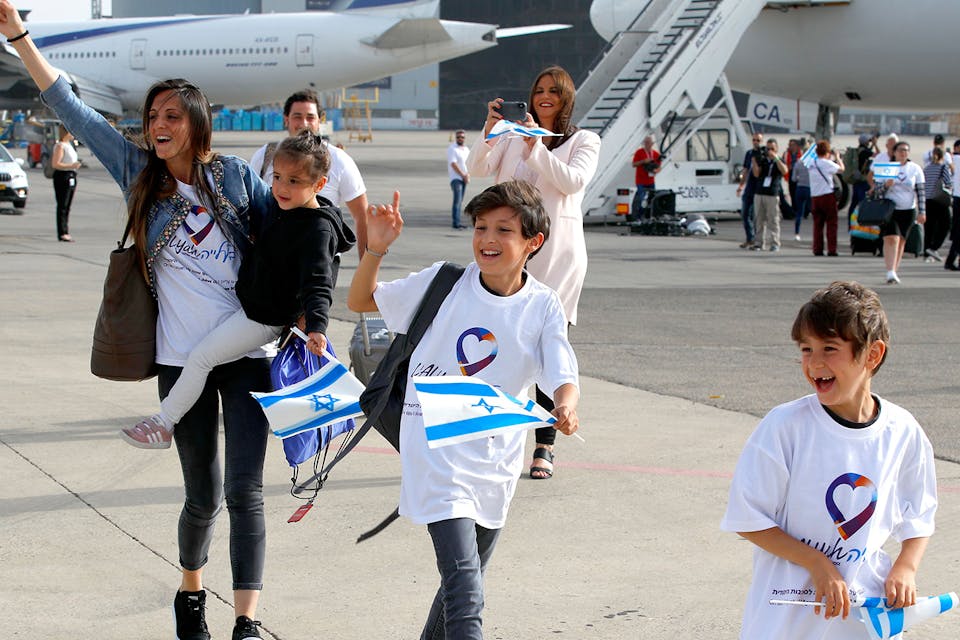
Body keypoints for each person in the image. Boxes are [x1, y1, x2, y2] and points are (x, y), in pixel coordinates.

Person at [0, 4, 274, 638]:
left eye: (172, 116)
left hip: (248, 357)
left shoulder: (234, 177)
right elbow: (70, 107)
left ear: (197, 122)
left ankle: (248, 623)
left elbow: (288, 235)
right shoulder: (139, 177)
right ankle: (190, 595)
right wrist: (18, 36)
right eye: (153, 117)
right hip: (181, 363)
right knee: (202, 495)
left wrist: (348, 239)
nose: (159, 126)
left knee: (246, 492)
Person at [346, 181, 580, 639]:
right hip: (435, 455)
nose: (487, 239)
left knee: (459, 587)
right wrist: (374, 249)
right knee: (466, 594)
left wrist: (567, 407)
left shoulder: (543, 305)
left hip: (494, 463)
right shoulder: (444, 282)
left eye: (503, 230)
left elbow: (561, 371)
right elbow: (359, 301)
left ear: (533, 243)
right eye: (480, 227)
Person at [721, 281, 937, 640]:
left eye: (830, 348)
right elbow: (747, 518)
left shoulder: (902, 430)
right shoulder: (785, 427)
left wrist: (906, 567)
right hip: (788, 619)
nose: (814, 363)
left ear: (872, 355)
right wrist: (817, 564)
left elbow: (920, 512)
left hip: (863, 616)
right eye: (806, 349)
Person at [122, 131, 355, 448]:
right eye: (277, 177)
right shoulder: (282, 207)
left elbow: (319, 280)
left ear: (319, 184)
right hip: (249, 305)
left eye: (294, 181)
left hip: (264, 317)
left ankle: (164, 423)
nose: (281, 188)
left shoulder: (316, 228)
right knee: (204, 355)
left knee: (201, 358)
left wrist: (317, 325)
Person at [467, 65, 598, 480]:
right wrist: (491, 129)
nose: (544, 97)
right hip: (509, 254)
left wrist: (535, 148)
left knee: (548, 347)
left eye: (553, 92)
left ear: (566, 98)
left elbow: (573, 182)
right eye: (538, 90)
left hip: (556, 256)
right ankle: (494, 433)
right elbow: (476, 169)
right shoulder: (510, 133)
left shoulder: (583, 140)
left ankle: (545, 444)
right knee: (497, 342)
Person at [249, 89, 368, 257]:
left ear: (320, 121)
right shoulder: (265, 155)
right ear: (286, 119)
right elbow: (251, 207)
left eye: (310, 117)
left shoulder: (340, 160)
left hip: (317, 256)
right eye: (297, 116)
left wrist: (367, 267)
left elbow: (362, 215)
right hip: (272, 256)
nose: (304, 123)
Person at [877, 141, 925, 284]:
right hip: (889, 210)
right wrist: (886, 185)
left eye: (906, 150)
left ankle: (894, 270)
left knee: (901, 240)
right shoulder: (887, 168)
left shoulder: (915, 169)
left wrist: (922, 211)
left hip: (908, 209)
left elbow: (921, 192)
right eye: (900, 150)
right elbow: (877, 193)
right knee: (891, 238)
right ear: (894, 152)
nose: (903, 153)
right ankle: (889, 271)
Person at [808, 140, 844, 257]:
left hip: (815, 196)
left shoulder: (811, 163)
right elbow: (841, 169)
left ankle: (817, 248)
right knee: (831, 224)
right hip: (827, 195)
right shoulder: (827, 163)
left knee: (817, 224)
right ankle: (831, 249)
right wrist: (837, 157)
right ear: (827, 152)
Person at [751, 138, 787, 252]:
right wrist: (754, 162)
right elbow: (756, 174)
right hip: (760, 192)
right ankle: (758, 242)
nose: (769, 151)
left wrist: (775, 158)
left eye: (772, 148)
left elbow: (785, 171)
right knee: (759, 219)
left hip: (772, 193)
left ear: (776, 149)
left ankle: (775, 242)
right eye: (768, 148)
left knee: (773, 219)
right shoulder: (763, 160)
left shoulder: (779, 160)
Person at [51, 123, 80, 242]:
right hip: (63, 175)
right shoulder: (60, 146)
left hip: (72, 175)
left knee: (67, 205)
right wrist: (71, 165)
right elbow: (56, 164)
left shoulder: (70, 145)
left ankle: (66, 230)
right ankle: (62, 232)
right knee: (62, 205)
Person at [922, 146, 951, 262]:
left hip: (927, 200)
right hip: (939, 200)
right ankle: (934, 247)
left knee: (929, 228)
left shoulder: (927, 168)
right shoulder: (943, 167)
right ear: (943, 156)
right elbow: (948, 183)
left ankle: (926, 253)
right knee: (945, 225)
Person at [736, 132, 764, 248]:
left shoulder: (763, 154)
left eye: (758, 140)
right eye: (754, 140)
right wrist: (741, 185)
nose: (755, 142)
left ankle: (756, 239)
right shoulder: (749, 154)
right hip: (749, 188)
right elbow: (746, 170)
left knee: (756, 216)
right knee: (745, 214)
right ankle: (750, 238)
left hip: (759, 189)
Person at [847, 133, 876, 224]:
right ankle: (862, 223)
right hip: (863, 181)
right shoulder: (864, 152)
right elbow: (877, 155)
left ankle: (850, 223)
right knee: (863, 203)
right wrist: (875, 144)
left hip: (857, 181)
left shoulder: (859, 151)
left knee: (854, 203)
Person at [630, 134, 660, 219]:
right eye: (646, 142)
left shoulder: (655, 154)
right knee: (641, 198)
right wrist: (643, 161)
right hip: (641, 180)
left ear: (652, 144)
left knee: (652, 199)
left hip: (650, 180)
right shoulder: (639, 152)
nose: (647, 144)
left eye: (649, 142)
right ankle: (638, 216)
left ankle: (649, 215)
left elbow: (659, 166)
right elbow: (634, 164)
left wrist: (656, 171)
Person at [447, 129, 470, 228]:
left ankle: (458, 221)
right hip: (456, 178)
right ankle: (455, 223)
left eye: (462, 137)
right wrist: (462, 175)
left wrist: (468, 175)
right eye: (458, 137)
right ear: (456, 138)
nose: (460, 139)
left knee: (460, 201)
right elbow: (453, 163)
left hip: (464, 178)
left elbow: (469, 163)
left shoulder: (466, 149)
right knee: (457, 200)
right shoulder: (452, 148)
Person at [790, 139, 811, 242]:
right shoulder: (812, 164)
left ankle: (797, 233)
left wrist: (799, 178)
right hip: (809, 188)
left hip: (799, 188)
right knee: (815, 213)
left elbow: (793, 178)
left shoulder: (798, 163)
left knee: (799, 213)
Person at [945, 139, 960, 271]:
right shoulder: (954, 159)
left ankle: (952, 260)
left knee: (957, 232)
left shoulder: (953, 159)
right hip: (958, 198)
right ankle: (951, 260)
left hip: (956, 197)